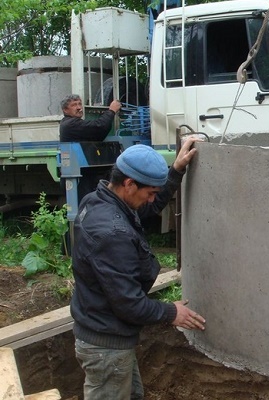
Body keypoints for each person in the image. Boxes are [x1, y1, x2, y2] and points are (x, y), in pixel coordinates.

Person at [70, 140, 206, 400]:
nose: (153, 199)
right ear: (130, 183)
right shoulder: (112, 234)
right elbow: (129, 304)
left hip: (104, 332)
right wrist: (171, 312)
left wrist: (175, 171)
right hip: (105, 347)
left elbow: (147, 207)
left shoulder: (99, 201)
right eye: (150, 192)